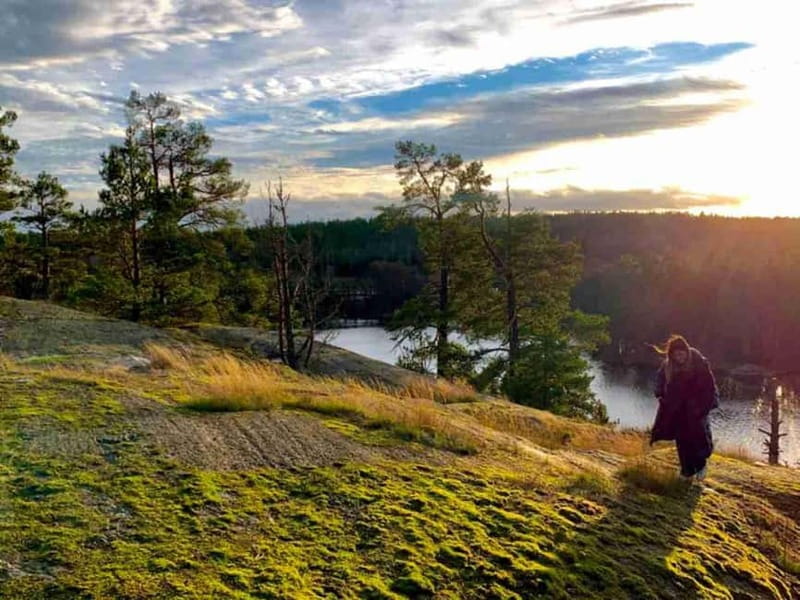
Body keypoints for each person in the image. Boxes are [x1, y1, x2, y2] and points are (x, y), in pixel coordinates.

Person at [650, 335, 719, 481]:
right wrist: (660, 395)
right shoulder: (668, 366)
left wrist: (702, 409)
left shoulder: (698, 362)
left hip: (697, 406)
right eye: (676, 354)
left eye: (681, 353)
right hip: (678, 407)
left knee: (698, 436)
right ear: (672, 355)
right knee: (682, 439)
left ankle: (700, 466)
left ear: (686, 351)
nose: (679, 357)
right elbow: (659, 382)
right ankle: (686, 471)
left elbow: (709, 387)